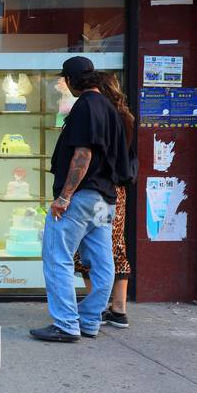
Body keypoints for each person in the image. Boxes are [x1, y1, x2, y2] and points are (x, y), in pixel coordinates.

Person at [33, 56, 133, 343]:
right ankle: (89, 320)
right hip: (105, 198)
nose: (65, 84)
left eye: (65, 79)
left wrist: (64, 197)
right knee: (102, 262)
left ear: (72, 80)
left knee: (57, 257)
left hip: (81, 197)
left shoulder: (85, 107)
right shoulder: (111, 109)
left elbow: (83, 154)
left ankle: (66, 323)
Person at [74, 73, 135, 328]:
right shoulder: (126, 118)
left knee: (88, 247)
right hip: (117, 190)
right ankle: (118, 308)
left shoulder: (103, 118)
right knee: (114, 246)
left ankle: (95, 305)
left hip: (100, 189)